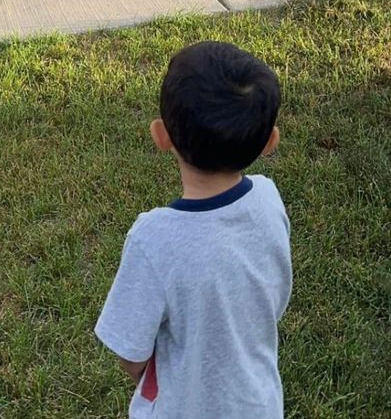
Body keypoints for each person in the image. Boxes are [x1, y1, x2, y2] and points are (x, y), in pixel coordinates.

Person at [95, 41, 292, 419]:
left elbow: (130, 353)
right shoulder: (269, 200)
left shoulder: (153, 238)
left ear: (160, 136)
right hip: (260, 405)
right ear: (271, 142)